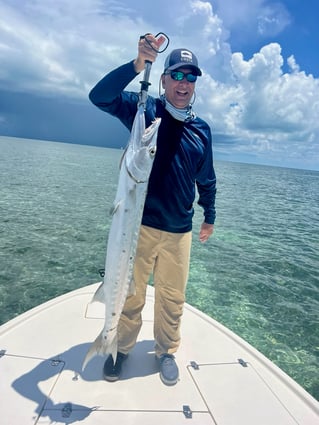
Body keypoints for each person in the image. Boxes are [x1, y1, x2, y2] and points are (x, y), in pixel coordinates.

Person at [89, 34, 217, 386]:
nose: (184, 83)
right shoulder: (145, 110)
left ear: (195, 86)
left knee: (173, 299)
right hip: (139, 227)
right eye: (177, 75)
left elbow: (207, 180)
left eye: (191, 78)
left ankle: (165, 351)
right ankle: (121, 347)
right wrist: (136, 65)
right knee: (131, 293)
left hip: (180, 232)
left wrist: (210, 216)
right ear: (163, 80)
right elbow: (100, 97)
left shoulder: (202, 131)